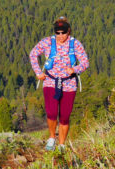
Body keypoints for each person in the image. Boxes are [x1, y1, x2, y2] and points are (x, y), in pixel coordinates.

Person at [29, 17, 89, 152]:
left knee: (65, 116)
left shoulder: (75, 44)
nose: (61, 35)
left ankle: (62, 144)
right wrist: (38, 72)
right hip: (50, 81)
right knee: (51, 112)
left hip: (69, 83)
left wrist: (75, 70)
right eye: (58, 32)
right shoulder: (47, 42)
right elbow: (33, 54)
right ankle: (51, 138)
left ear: (69, 31)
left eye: (63, 32)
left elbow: (85, 62)